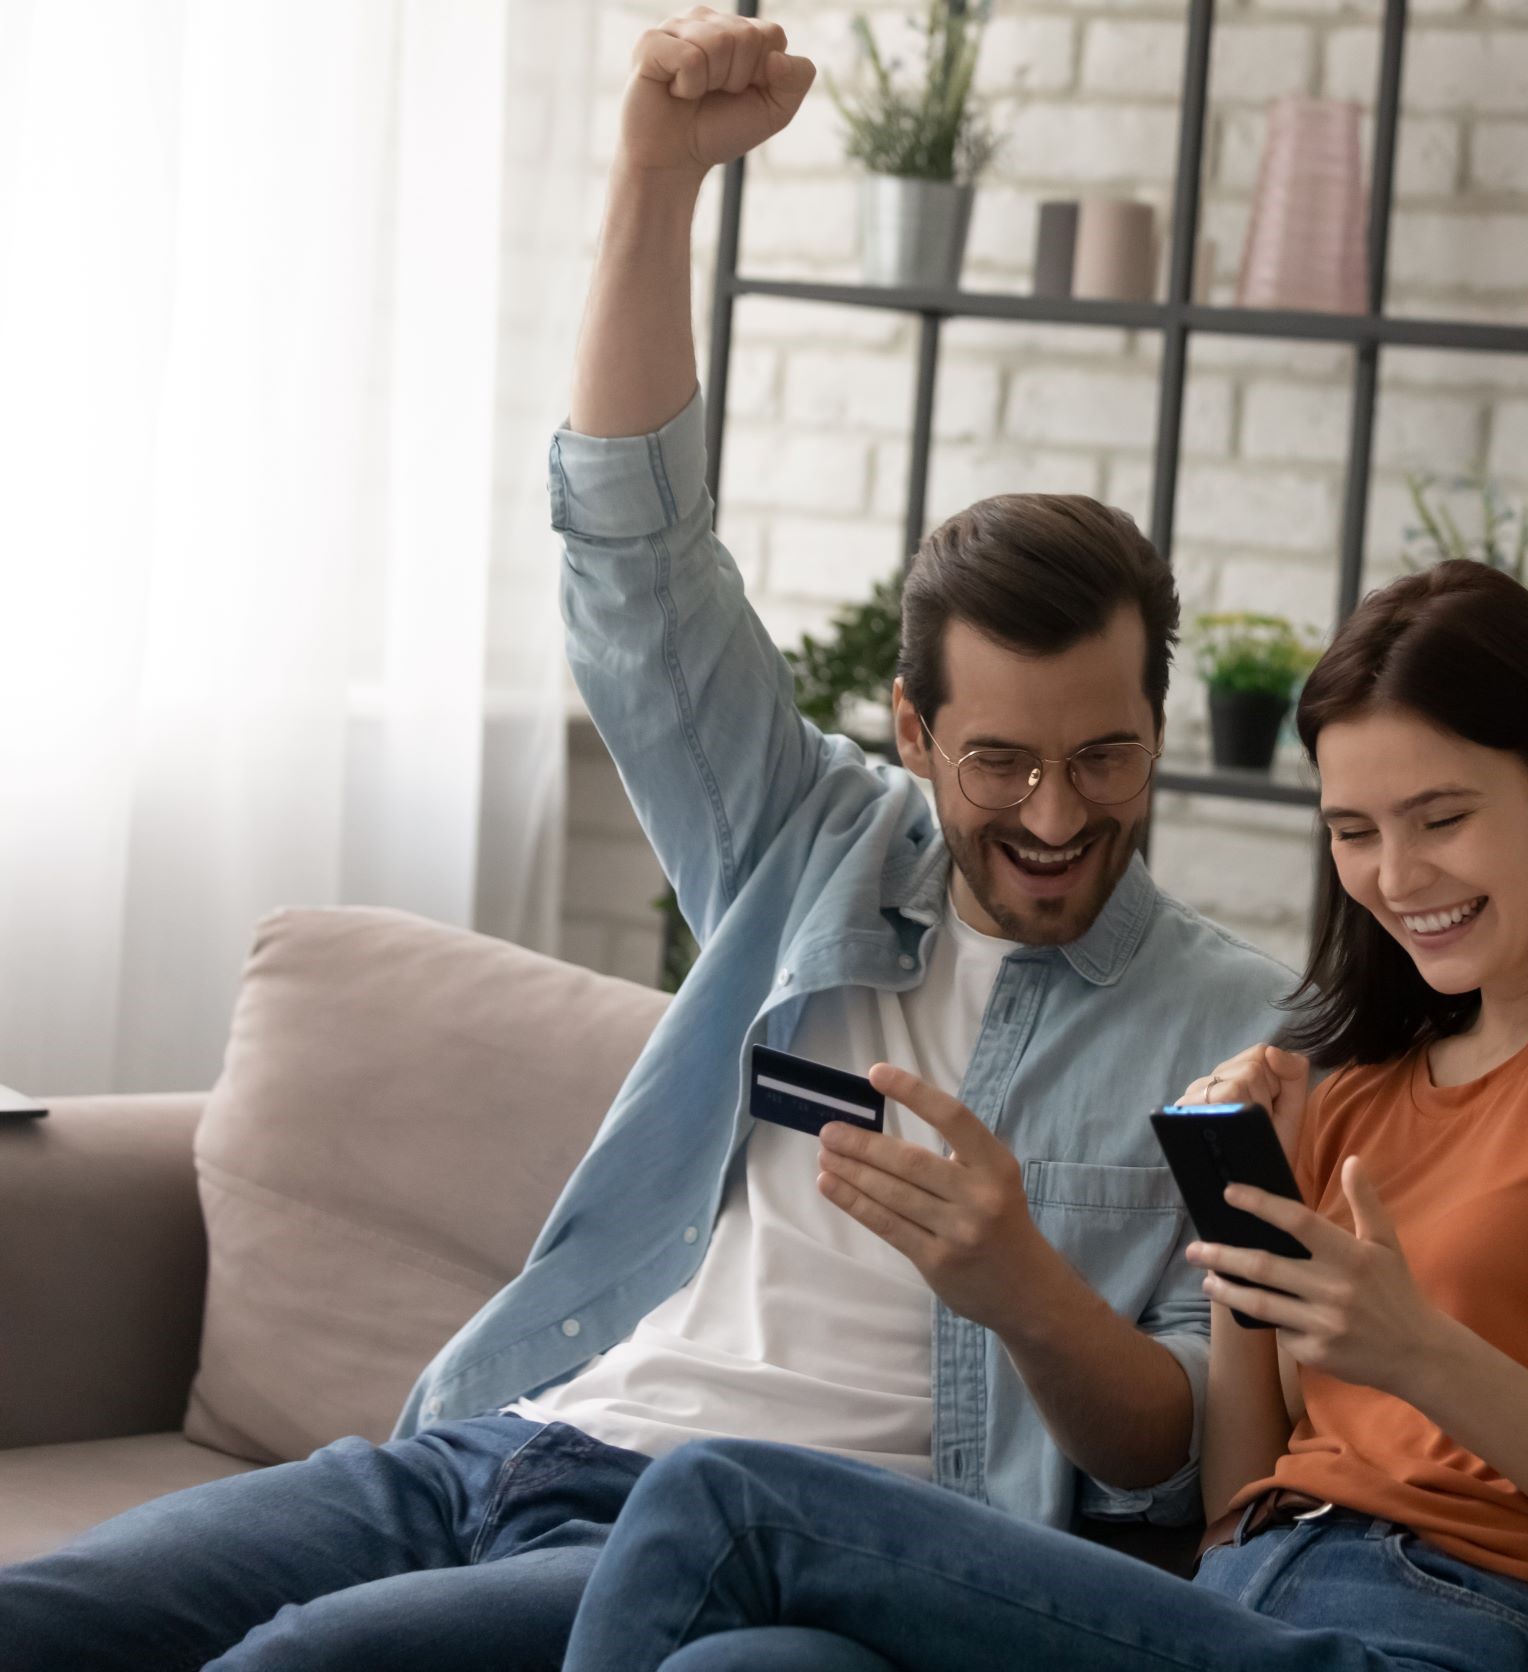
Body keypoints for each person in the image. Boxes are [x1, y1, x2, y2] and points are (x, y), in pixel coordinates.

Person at [0, 10, 1286, 1669]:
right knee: (43, 1618)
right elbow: (634, 568)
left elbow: (1184, 1443)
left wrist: (1019, 1276)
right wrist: (654, 176)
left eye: (1107, 755)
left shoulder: (1232, 1029)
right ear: (910, 732)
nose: (1057, 815)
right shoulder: (805, 841)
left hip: (779, 1539)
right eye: (1001, 764)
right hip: (510, 1435)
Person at [558, 559, 1528, 1672]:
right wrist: (1235, 1210)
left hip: (1470, 1625)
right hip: (1251, 1594)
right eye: (1356, 833)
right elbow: (1232, 1502)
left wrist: (1422, 1352)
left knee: (724, 1501)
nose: (1398, 878)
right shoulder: (1349, 1084)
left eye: (1443, 818)